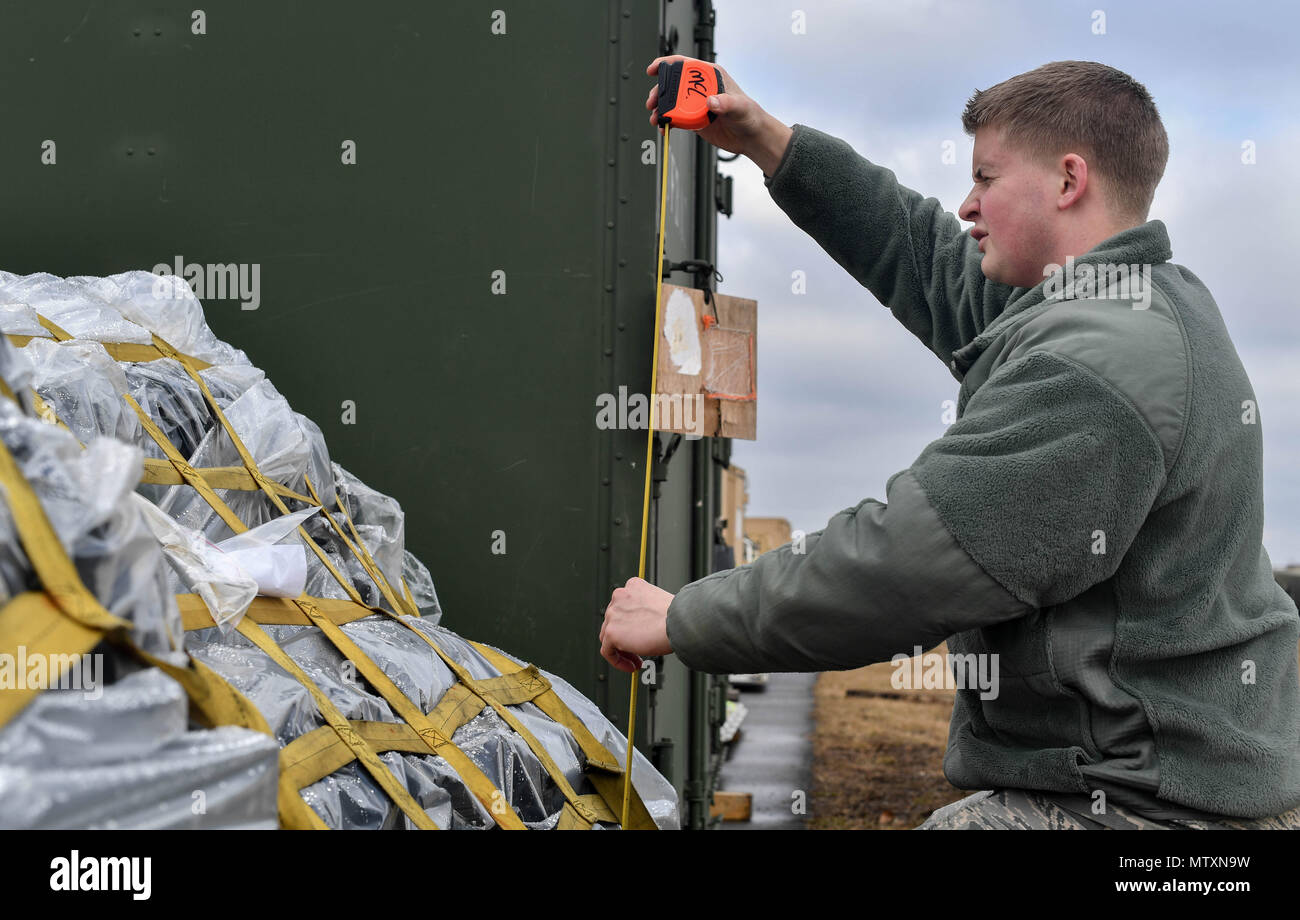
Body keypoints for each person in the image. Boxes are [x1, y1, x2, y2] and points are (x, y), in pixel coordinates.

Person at [599, 56, 1300, 829]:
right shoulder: (1112, 304)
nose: (967, 206)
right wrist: (766, 138)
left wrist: (682, 617)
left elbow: (903, 566)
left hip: (1153, 813)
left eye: (986, 179)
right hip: (1155, 783)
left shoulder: (1098, 365)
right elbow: (921, 254)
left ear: (1068, 181)